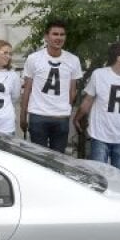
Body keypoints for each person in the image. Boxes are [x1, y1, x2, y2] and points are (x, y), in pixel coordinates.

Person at [74, 43, 120, 173]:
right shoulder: (99, 74)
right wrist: (77, 117)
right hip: (100, 134)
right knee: (98, 175)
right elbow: (88, 99)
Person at [19, 20, 82, 153]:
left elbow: (73, 91)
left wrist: (65, 111)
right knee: (38, 158)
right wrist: (23, 115)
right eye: (55, 34)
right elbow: (27, 89)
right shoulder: (34, 58)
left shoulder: (73, 60)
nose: (59, 38)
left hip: (61, 117)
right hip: (38, 115)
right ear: (46, 37)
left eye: (62, 34)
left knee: (58, 159)